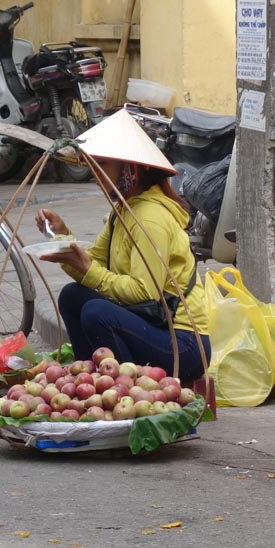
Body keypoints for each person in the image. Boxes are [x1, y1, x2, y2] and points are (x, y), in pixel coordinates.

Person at [34, 110, 211, 382]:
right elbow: (94, 261)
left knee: (97, 313)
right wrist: (61, 238)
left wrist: (86, 267)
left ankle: (122, 388)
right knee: (72, 296)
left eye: (102, 165)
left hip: (183, 345)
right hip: (150, 322)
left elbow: (144, 293)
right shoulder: (123, 211)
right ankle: (89, 379)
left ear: (130, 168)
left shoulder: (150, 217)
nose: (95, 174)